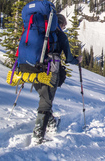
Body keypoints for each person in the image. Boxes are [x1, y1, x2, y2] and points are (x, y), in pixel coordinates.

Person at [32, 13, 82, 143]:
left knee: (44, 98)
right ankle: (38, 137)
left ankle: (52, 124)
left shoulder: (40, 32)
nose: (64, 28)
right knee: (46, 102)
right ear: (61, 24)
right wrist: (78, 60)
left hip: (34, 67)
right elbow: (69, 58)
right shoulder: (60, 35)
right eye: (64, 25)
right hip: (51, 68)